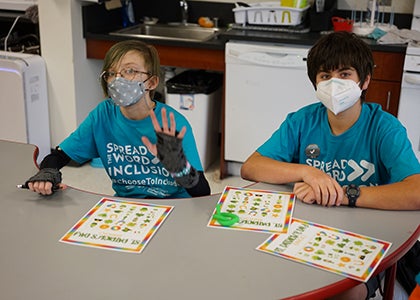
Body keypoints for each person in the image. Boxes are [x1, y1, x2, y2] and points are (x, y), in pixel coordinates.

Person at [241, 31, 420, 299]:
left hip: (365, 235)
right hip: (307, 231)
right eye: (325, 76)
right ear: (315, 82)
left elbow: (416, 191)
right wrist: (306, 172)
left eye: (345, 74)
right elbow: (251, 166)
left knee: (345, 293)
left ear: (365, 80)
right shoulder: (301, 121)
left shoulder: (384, 128)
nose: (334, 83)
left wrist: (344, 194)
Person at [25, 39, 210, 199]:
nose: (118, 80)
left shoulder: (172, 122)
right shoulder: (103, 115)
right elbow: (60, 155)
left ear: (152, 83)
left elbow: (203, 193)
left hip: (175, 206)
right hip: (128, 207)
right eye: (112, 73)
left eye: (130, 71)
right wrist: (47, 172)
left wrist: (178, 166)